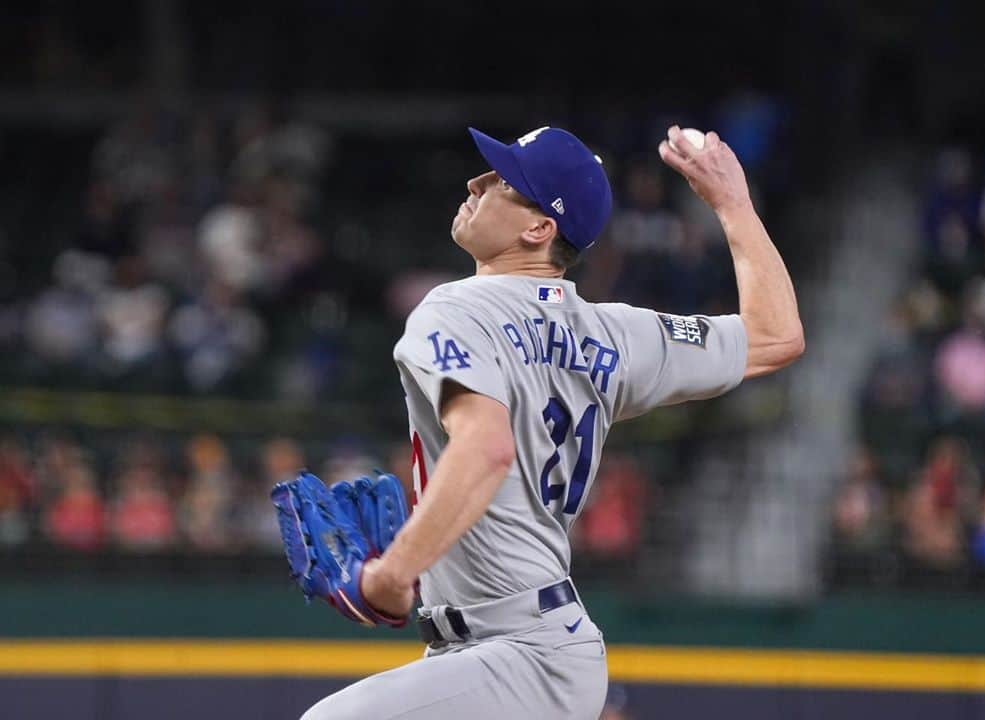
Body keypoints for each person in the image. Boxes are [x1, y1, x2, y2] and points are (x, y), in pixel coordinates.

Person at [300, 125, 804, 719]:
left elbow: (487, 447)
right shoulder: (615, 334)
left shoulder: (455, 309)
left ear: (539, 229)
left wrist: (394, 571)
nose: (476, 181)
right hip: (531, 650)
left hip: (517, 653)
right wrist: (733, 205)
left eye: (501, 179)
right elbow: (776, 336)